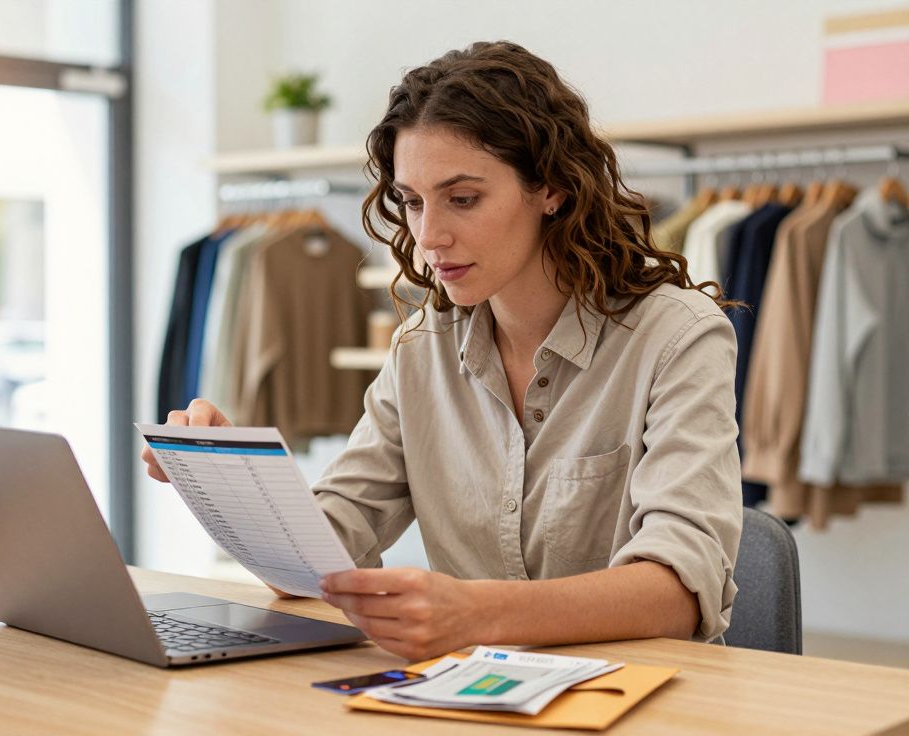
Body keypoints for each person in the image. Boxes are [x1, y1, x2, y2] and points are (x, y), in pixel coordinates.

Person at [143, 40, 742, 661]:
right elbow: (325, 557)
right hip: (473, 698)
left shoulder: (677, 337)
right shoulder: (421, 350)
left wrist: (475, 614)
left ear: (553, 189)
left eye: (463, 199)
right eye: (412, 201)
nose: (429, 236)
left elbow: (677, 593)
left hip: (642, 698)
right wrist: (228, 478)